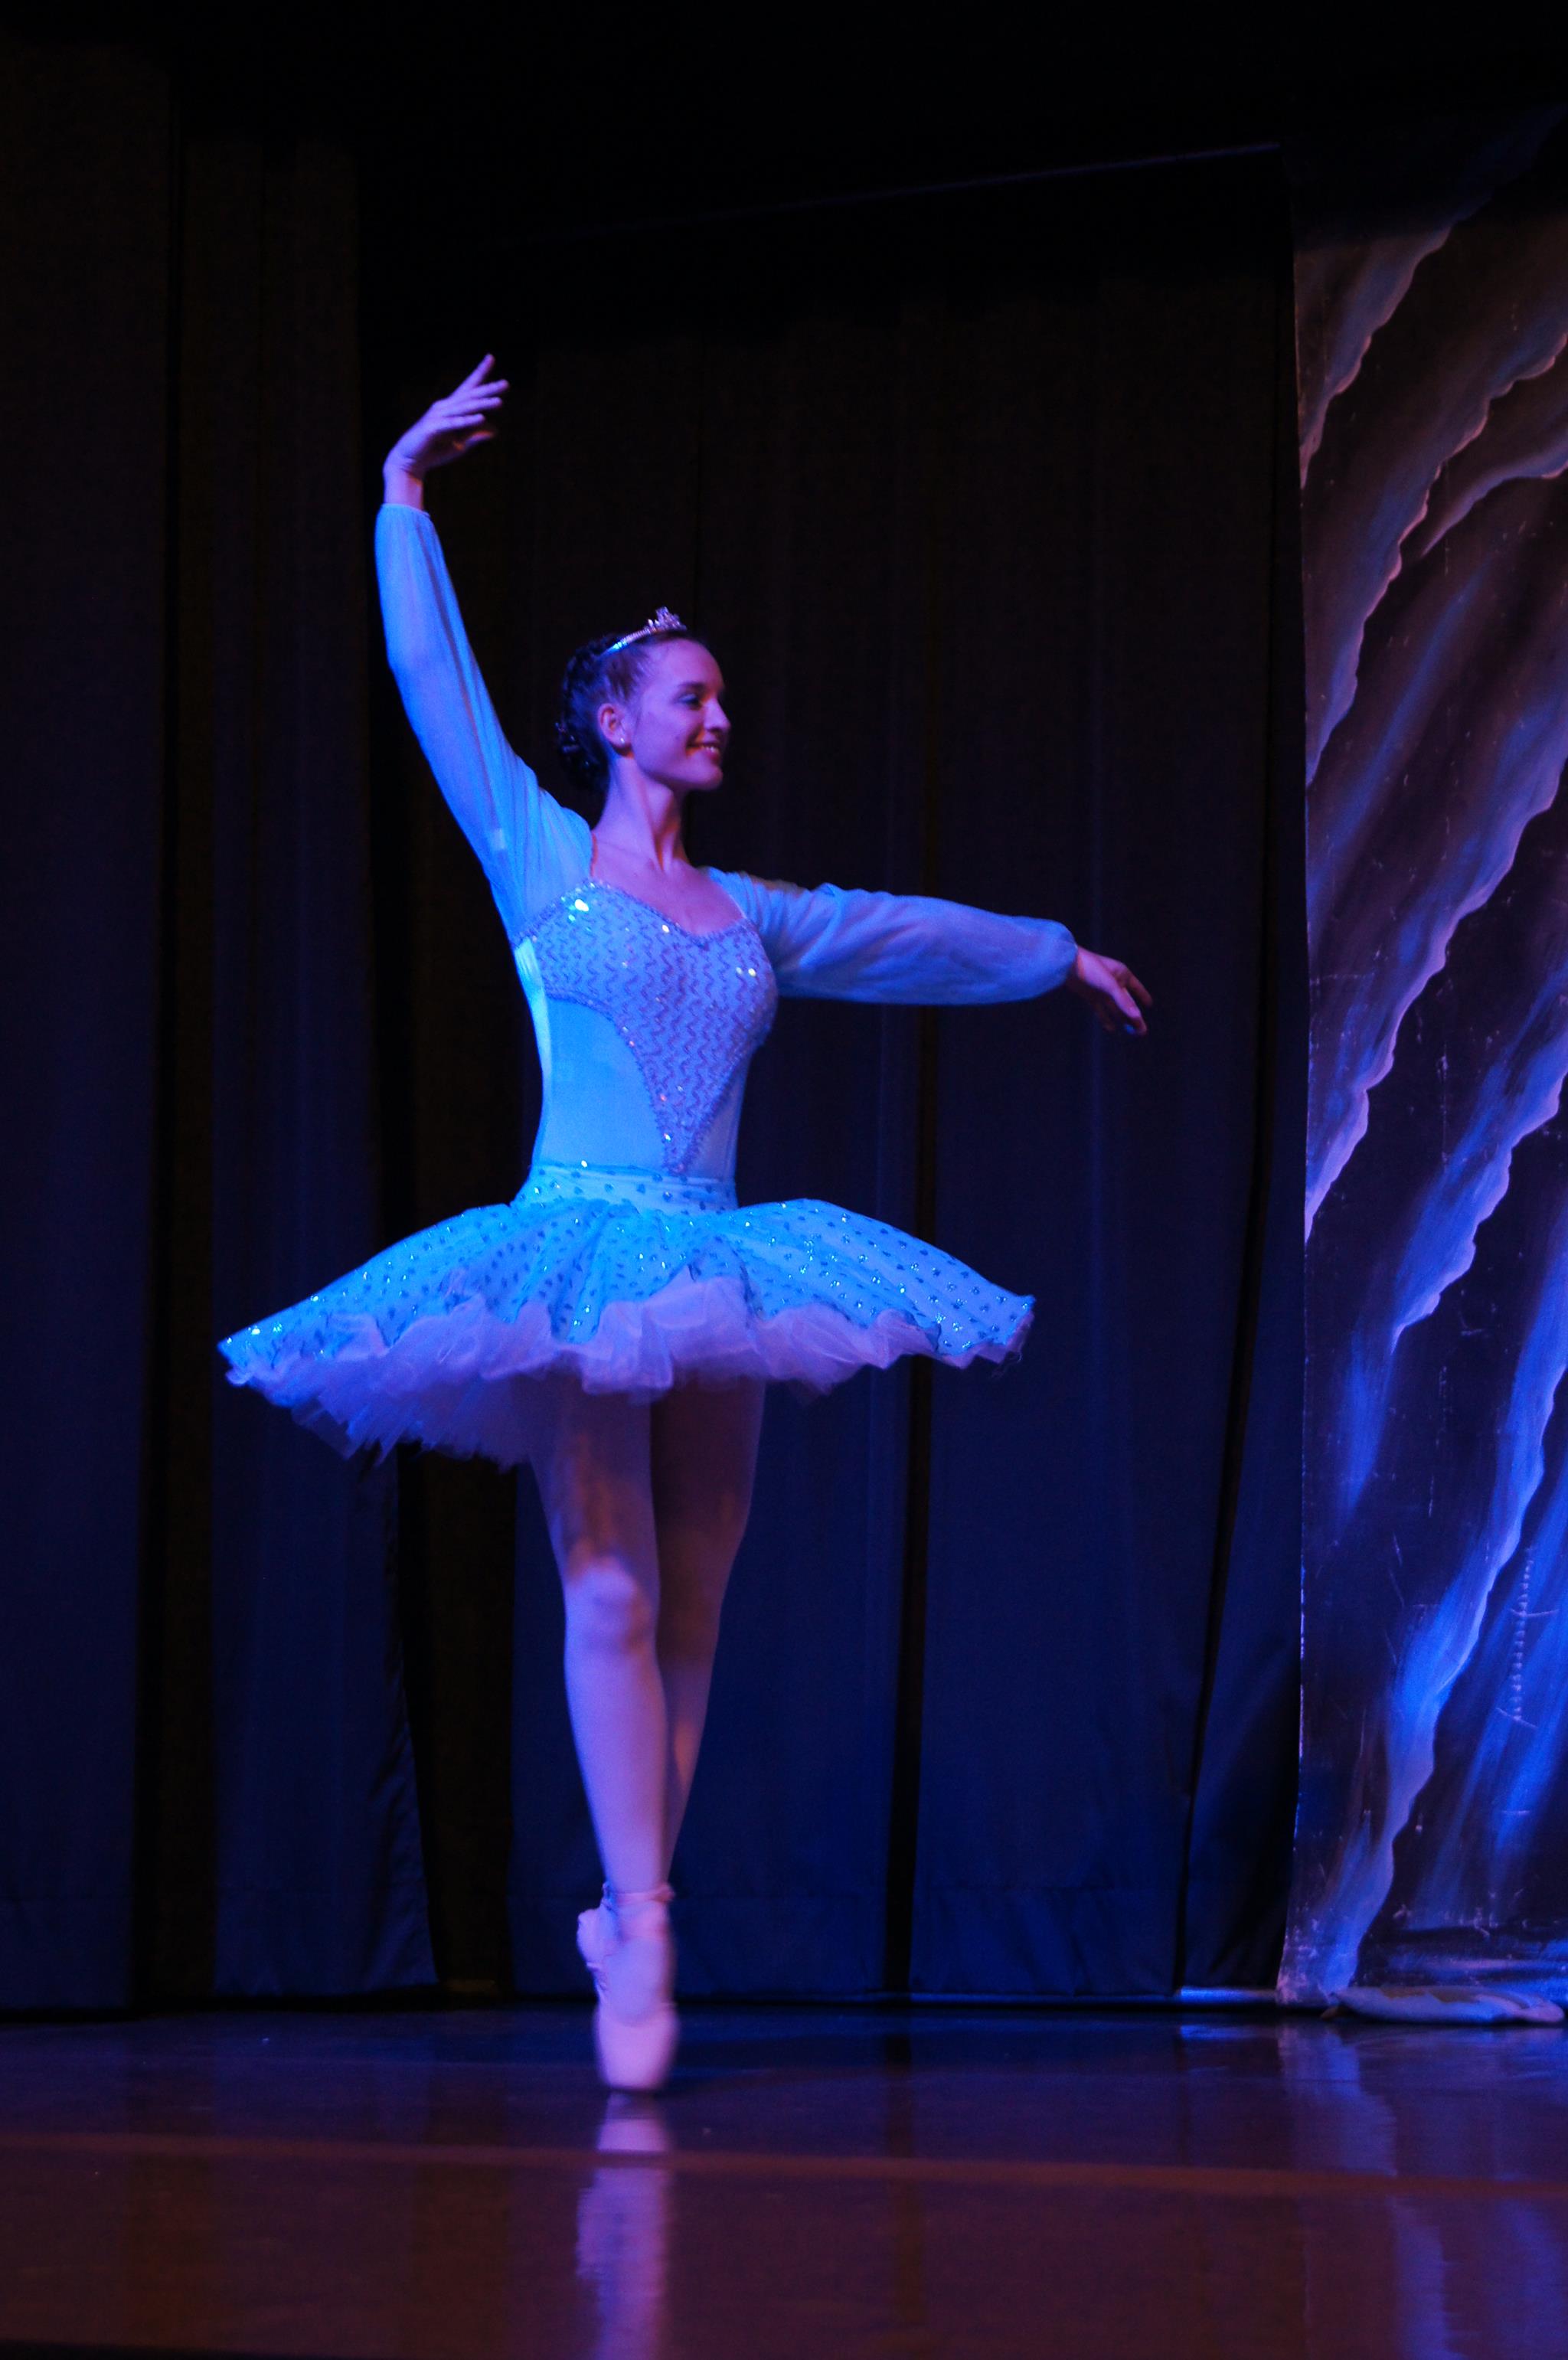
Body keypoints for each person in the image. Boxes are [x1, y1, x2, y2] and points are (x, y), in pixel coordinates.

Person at [220, 357, 1152, 2090]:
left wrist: (1051, 956)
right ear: (616, 719)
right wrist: (402, 498)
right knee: (610, 1583)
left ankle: (624, 1897)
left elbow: (899, 929)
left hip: (718, 1254)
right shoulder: (536, 852)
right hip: (578, 1256)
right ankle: (644, 1928)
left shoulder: (753, 912)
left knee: (699, 1592)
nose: (722, 717)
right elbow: (433, 683)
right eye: (693, 696)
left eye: (723, 696)